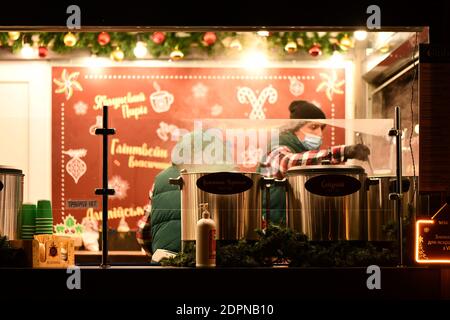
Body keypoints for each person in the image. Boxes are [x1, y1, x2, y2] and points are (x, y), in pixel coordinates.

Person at [259, 100, 370, 225]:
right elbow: (288, 163)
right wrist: (342, 152)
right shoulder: (276, 146)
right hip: (273, 228)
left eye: (321, 128)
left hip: (296, 227)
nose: (319, 133)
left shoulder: (308, 154)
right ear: (295, 129)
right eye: (313, 127)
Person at [146, 130, 234, 254]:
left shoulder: (161, 179)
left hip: (167, 263)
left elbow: (143, 233)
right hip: (219, 262)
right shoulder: (231, 180)